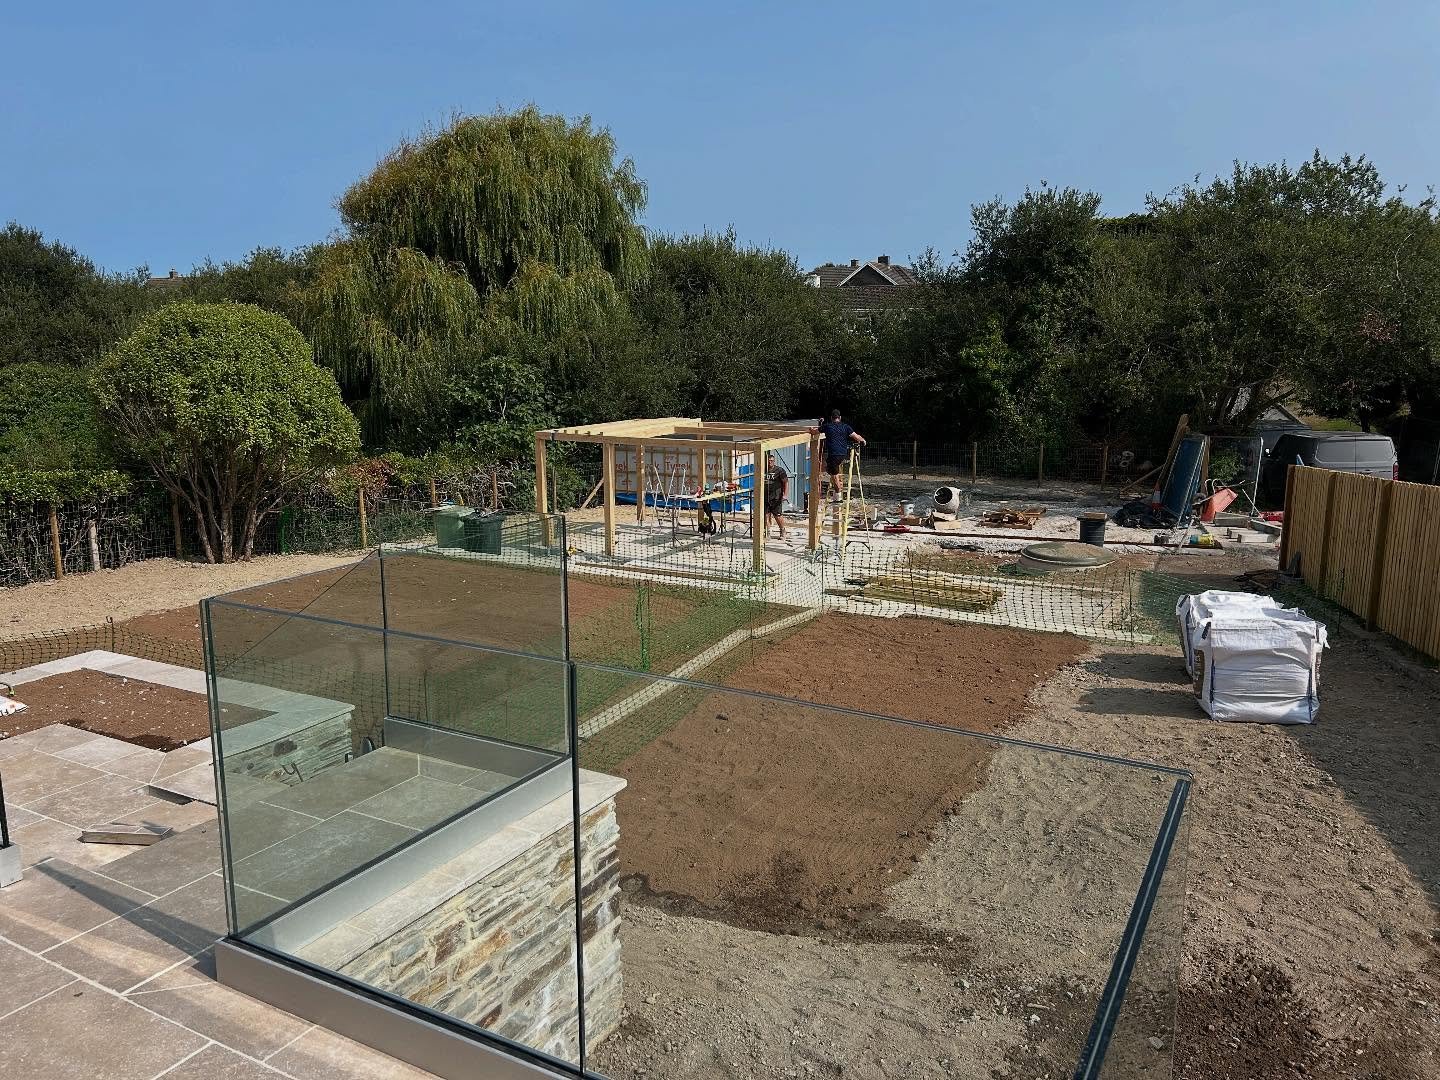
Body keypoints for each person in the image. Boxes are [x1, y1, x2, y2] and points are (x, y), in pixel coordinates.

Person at [815, 409, 866, 502]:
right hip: (842, 454)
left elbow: (814, 431)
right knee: (831, 470)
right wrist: (863, 440)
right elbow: (856, 436)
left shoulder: (827, 426)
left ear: (831, 418)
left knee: (832, 473)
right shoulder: (845, 427)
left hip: (833, 454)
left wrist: (810, 430)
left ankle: (838, 496)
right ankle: (837, 490)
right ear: (840, 418)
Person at [763, 451, 789, 542]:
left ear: (774, 461)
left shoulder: (779, 470)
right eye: (769, 461)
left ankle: (782, 531)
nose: (770, 462)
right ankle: (768, 533)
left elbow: (785, 482)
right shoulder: (762, 469)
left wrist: (785, 495)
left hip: (776, 497)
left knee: (778, 515)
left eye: (772, 461)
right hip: (765, 497)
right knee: (765, 515)